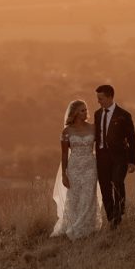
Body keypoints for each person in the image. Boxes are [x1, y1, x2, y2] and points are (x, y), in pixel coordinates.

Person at [51, 99, 103, 239]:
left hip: (90, 166)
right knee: (74, 198)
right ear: (74, 113)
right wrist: (64, 174)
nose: (85, 112)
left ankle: (83, 227)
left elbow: (101, 146)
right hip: (74, 167)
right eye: (82, 110)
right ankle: (73, 224)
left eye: (86, 109)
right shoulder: (67, 131)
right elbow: (63, 154)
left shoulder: (93, 128)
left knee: (88, 196)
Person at [93, 84, 135, 229]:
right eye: (97, 98)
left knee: (117, 182)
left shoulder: (124, 115)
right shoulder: (97, 114)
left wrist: (132, 161)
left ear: (110, 97)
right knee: (105, 188)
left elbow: (132, 139)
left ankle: (119, 213)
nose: (98, 101)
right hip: (102, 157)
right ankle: (111, 217)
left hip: (119, 157)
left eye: (101, 98)